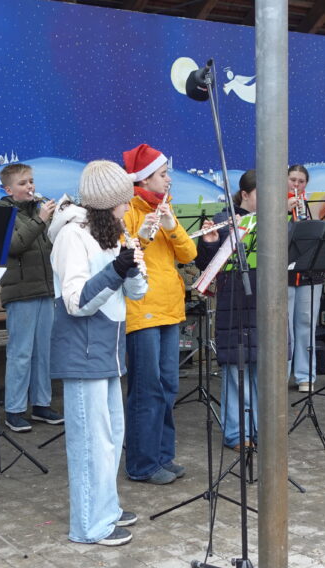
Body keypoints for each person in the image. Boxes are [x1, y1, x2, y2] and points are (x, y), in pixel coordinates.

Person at [48, 160, 147, 546]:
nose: (129, 209)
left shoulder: (110, 233)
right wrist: (116, 270)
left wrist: (131, 267)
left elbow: (136, 294)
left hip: (109, 351)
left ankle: (105, 507)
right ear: (106, 205)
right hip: (83, 352)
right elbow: (76, 302)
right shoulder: (73, 237)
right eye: (124, 203)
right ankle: (89, 525)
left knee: (111, 436)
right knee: (91, 443)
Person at [121, 144, 197, 485]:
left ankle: (163, 457)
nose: (168, 180)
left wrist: (170, 225)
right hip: (142, 311)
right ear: (145, 178)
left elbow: (188, 253)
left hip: (170, 308)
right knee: (146, 389)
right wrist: (145, 234)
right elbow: (125, 257)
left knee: (168, 386)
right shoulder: (129, 211)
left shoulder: (165, 209)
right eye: (163, 174)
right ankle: (141, 463)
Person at [0, 163, 64, 433]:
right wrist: (41, 221)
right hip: (20, 292)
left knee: (43, 351)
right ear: (8, 189)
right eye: (23, 183)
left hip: (45, 289)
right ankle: (14, 409)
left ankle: (41, 404)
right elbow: (14, 245)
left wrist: (57, 222)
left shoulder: (36, 212)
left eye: (31, 181)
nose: (30, 187)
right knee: (21, 352)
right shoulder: (2, 213)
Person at [195, 170, 261, 450]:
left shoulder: (275, 221)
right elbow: (205, 265)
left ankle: (259, 430)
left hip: (261, 299)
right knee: (236, 370)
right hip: (234, 301)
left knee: (260, 370)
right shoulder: (225, 220)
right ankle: (236, 433)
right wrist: (209, 243)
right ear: (244, 194)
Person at [287, 164, 320, 392]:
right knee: (284, 327)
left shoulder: (314, 206)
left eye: (301, 181)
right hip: (284, 274)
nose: (296, 185)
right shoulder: (272, 204)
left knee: (307, 324)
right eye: (292, 180)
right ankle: (281, 373)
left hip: (309, 273)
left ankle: (305, 375)